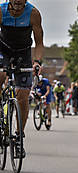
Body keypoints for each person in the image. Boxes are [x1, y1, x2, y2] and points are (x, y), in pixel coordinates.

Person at [0, 0, 43, 157]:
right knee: (1, 74)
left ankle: (18, 137)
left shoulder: (33, 13)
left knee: (23, 96)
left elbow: (39, 43)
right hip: (3, 50)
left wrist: (37, 62)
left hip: (23, 53)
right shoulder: (0, 10)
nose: (18, 2)